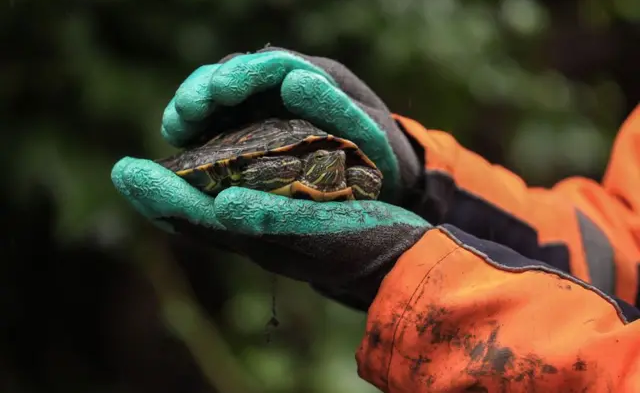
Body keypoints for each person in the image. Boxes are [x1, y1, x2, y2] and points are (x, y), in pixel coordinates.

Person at [111, 47, 640, 392]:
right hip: (267, 160)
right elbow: (620, 244)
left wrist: (430, 281)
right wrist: (427, 193)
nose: (341, 170)